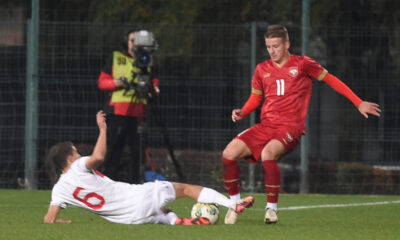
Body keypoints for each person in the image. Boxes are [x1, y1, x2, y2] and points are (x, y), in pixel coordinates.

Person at [222, 25, 381, 225]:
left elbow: (331, 80)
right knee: (228, 154)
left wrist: (358, 102)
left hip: (290, 127)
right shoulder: (262, 69)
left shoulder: (303, 64)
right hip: (266, 125)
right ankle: (235, 204)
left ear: (287, 44)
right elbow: (255, 98)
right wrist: (243, 111)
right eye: (269, 46)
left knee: (267, 155)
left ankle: (271, 209)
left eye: (276, 46)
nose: (272, 51)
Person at [44, 111, 254, 225]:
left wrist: (60, 222)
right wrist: (103, 130)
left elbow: (48, 220)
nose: (79, 154)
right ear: (70, 159)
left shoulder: (59, 190)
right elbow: (99, 156)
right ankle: (232, 204)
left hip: (128, 220)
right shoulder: (78, 166)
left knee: (164, 213)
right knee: (185, 189)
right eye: (76, 152)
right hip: (138, 197)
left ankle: (185, 222)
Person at [97, 29, 159, 183]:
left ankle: (137, 183)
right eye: (132, 40)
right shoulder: (116, 57)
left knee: (138, 152)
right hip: (117, 112)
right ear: (127, 42)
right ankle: (107, 182)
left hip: (139, 113)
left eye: (138, 41)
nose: (135, 44)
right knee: (113, 150)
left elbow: (155, 86)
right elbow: (102, 82)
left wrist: (152, 91)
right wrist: (117, 83)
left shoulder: (148, 60)